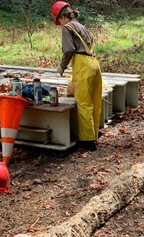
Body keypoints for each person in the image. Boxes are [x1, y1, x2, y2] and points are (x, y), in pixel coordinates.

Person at [52, 1, 102, 152]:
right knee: (95, 102)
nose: (60, 24)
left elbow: (68, 50)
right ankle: (94, 133)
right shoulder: (81, 26)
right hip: (94, 64)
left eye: (59, 21)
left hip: (83, 67)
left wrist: (61, 67)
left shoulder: (67, 28)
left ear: (62, 16)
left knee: (84, 103)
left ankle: (87, 141)